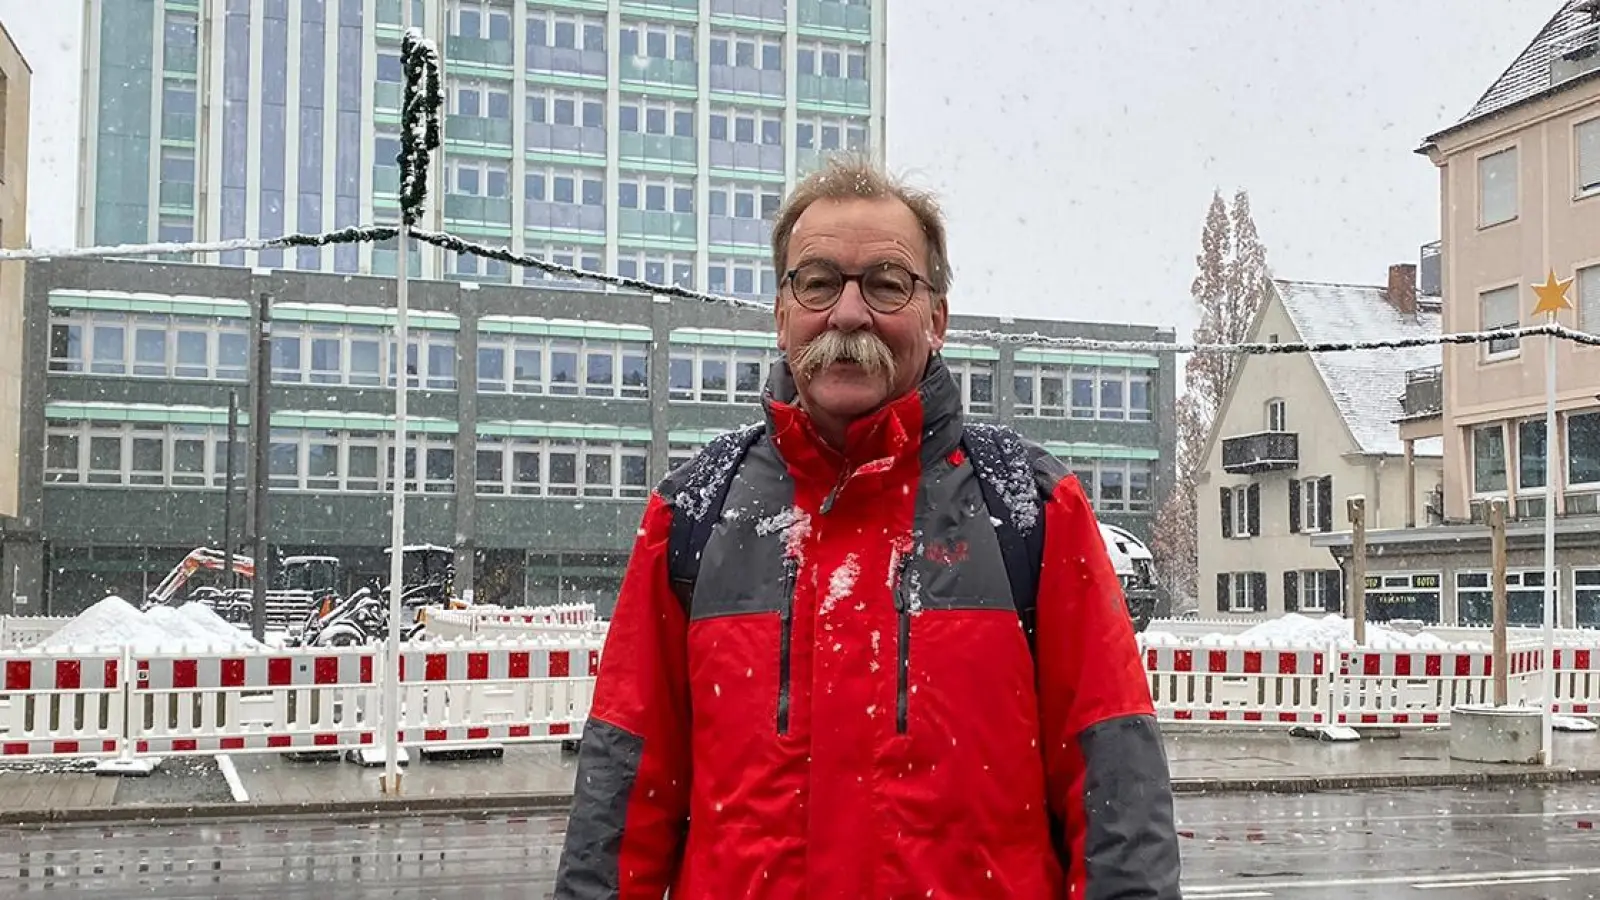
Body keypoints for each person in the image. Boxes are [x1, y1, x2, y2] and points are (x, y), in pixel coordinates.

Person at [553, 155, 1181, 899]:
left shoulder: (1032, 509)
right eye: (818, 282)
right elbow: (625, 795)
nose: (849, 314)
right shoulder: (693, 512)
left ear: (937, 318)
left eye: (886, 283)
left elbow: (1116, 787)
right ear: (782, 312)